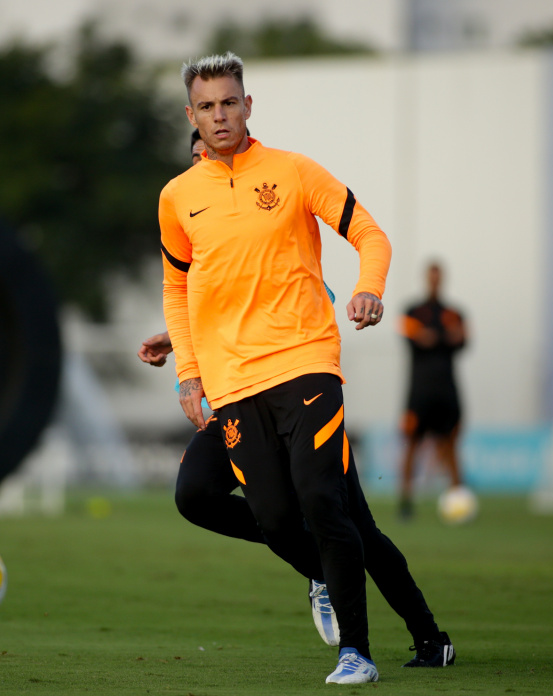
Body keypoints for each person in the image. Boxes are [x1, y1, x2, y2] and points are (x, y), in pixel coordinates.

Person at [158, 52, 454, 685]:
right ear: (191, 115)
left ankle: (358, 653)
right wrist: (185, 366)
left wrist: (369, 286)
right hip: (236, 385)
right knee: (292, 520)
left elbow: (370, 233)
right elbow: (183, 290)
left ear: (247, 104)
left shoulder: (291, 172)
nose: (219, 116)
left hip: (306, 365)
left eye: (229, 102)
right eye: (206, 107)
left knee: (325, 504)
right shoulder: (177, 199)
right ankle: (419, 629)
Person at [141, 129, 340, 647]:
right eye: (196, 157)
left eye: (209, 152)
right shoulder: (188, 210)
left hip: (288, 385)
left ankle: (422, 635)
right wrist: (178, 344)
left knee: (340, 514)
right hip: (232, 397)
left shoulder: (271, 197)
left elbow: (308, 291)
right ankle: (318, 563)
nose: (205, 160)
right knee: (196, 495)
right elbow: (196, 296)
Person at [397, 261, 468, 520]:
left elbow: (461, 339)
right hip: (419, 391)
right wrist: (441, 337)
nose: (435, 281)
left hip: (447, 390)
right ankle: (405, 501)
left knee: (450, 444)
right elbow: (415, 337)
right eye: (432, 277)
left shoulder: (455, 312)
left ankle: (459, 500)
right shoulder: (412, 311)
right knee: (412, 444)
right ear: (426, 278)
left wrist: (432, 337)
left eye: (439, 277)